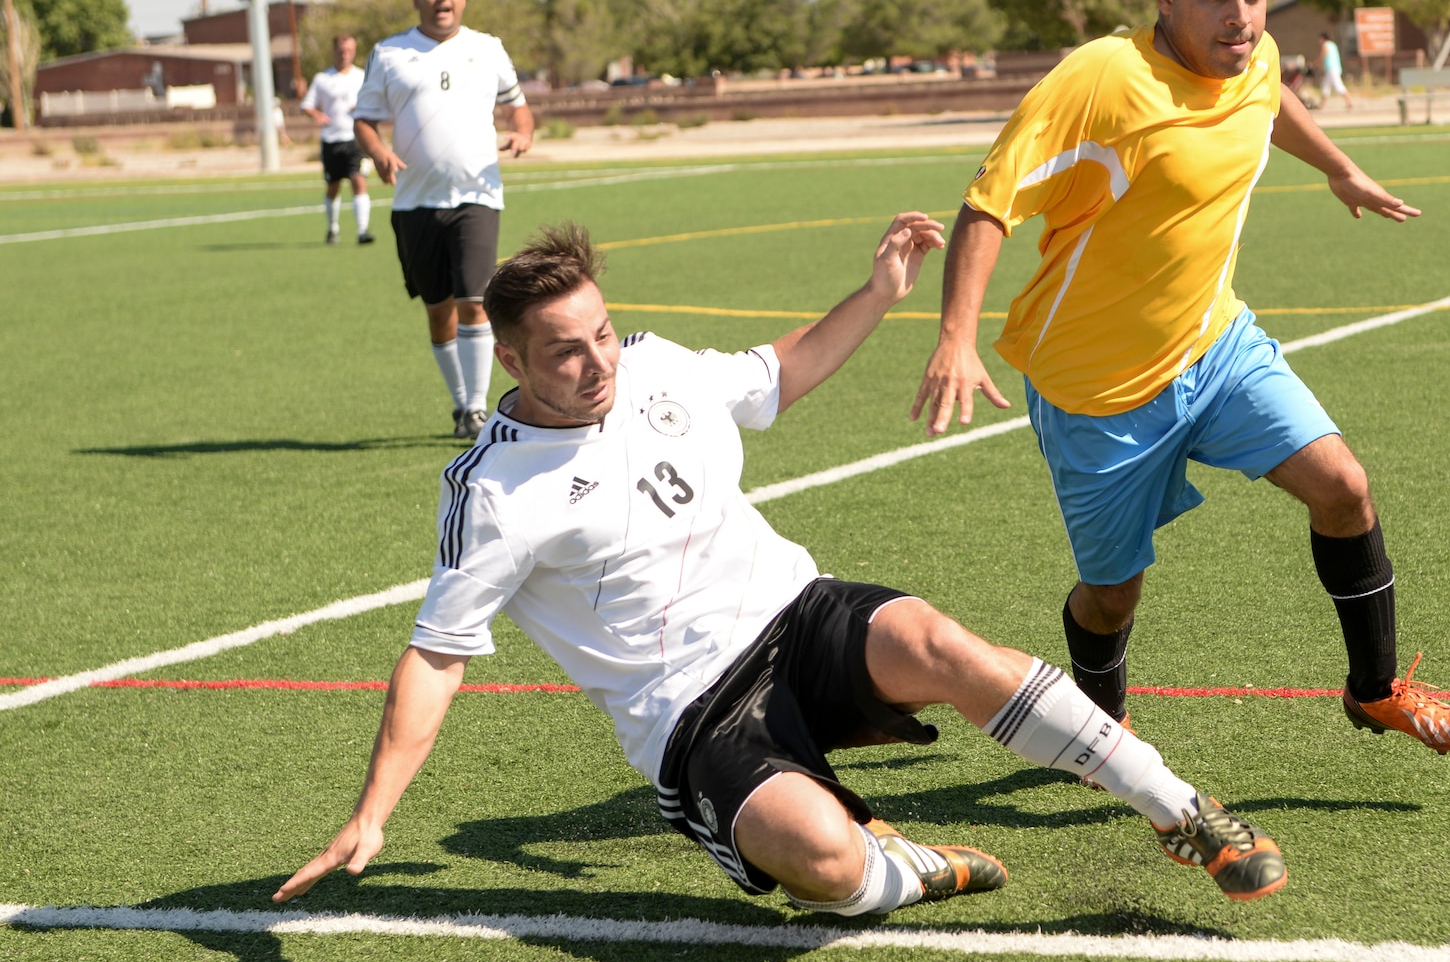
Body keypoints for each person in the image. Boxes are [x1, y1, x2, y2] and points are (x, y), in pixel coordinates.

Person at [273, 217, 1289, 918]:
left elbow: (777, 374)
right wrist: (371, 815)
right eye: (564, 354)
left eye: (597, 336)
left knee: (940, 642)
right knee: (825, 865)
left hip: (794, 613)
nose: (596, 366)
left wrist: (878, 289)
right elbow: (437, 655)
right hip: (692, 714)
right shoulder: (493, 492)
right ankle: (905, 869)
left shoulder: (655, 364)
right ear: (508, 359)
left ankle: (1183, 812)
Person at [911, 0, 1450, 757]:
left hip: (1217, 349)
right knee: (1113, 596)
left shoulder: (1248, 58)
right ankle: (1102, 732)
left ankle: (1375, 692)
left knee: (1345, 488)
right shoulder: (1101, 82)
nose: (1243, 16)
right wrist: (955, 336)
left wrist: (1341, 169)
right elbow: (988, 205)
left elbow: (1269, 99)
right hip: (1096, 392)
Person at [354, 0, 535, 439]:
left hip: (478, 193)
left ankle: (478, 409)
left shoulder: (488, 48)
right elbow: (364, 120)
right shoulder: (389, 53)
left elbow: (520, 109)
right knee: (440, 310)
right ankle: (460, 405)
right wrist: (378, 153)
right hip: (414, 204)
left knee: (476, 301)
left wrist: (521, 134)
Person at [302, 33, 374, 246]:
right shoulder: (323, 79)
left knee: (359, 180)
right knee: (333, 187)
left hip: (356, 139)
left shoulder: (362, 76)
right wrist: (318, 115)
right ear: (334, 51)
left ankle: (362, 230)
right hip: (332, 140)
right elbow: (307, 105)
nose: (345, 55)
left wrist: (363, 108)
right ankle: (333, 228)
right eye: (341, 51)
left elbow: (374, 102)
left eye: (349, 51)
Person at [1318, 31, 1354, 110]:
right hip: (1332, 68)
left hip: (1332, 69)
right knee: (1325, 86)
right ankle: (1322, 105)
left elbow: (1322, 57)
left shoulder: (1326, 45)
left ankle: (1350, 102)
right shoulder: (1333, 45)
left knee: (1338, 86)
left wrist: (1315, 63)